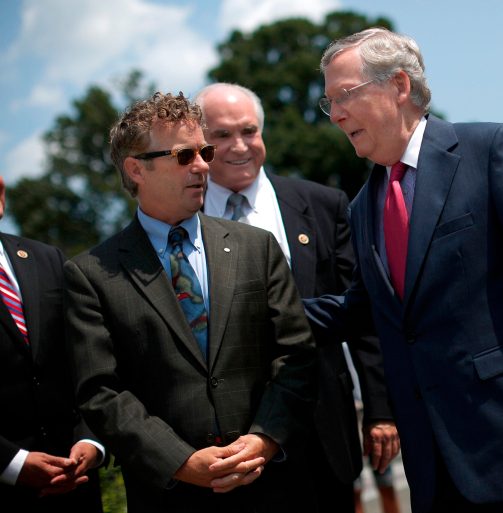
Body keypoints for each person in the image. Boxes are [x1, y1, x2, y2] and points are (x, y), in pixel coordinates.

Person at [305, 28, 503, 513]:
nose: (337, 115)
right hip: (438, 466)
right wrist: (256, 309)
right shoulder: (363, 206)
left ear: (398, 86)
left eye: (344, 95)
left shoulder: (489, 149)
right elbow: (368, 307)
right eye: (329, 103)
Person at [64, 92, 317, 513]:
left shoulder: (258, 247)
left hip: (272, 484)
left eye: (204, 151)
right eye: (184, 155)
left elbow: (298, 355)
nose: (202, 165)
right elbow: (101, 391)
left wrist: (264, 439)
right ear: (135, 169)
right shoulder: (92, 274)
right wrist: (179, 461)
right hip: (170, 496)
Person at [194, 82, 399, 513]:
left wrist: (381, 409)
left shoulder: (323, 205)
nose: (239, 146)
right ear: (200, 144)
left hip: (322, 431)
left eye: (249, 131)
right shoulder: (180, 217)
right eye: (222, 135)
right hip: (230, 439)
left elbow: (361, 310)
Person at [0, 176, 104, 512]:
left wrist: (91, 440)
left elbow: (88, 361)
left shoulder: (47, 259)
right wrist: (13, 464)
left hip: (78, 483)